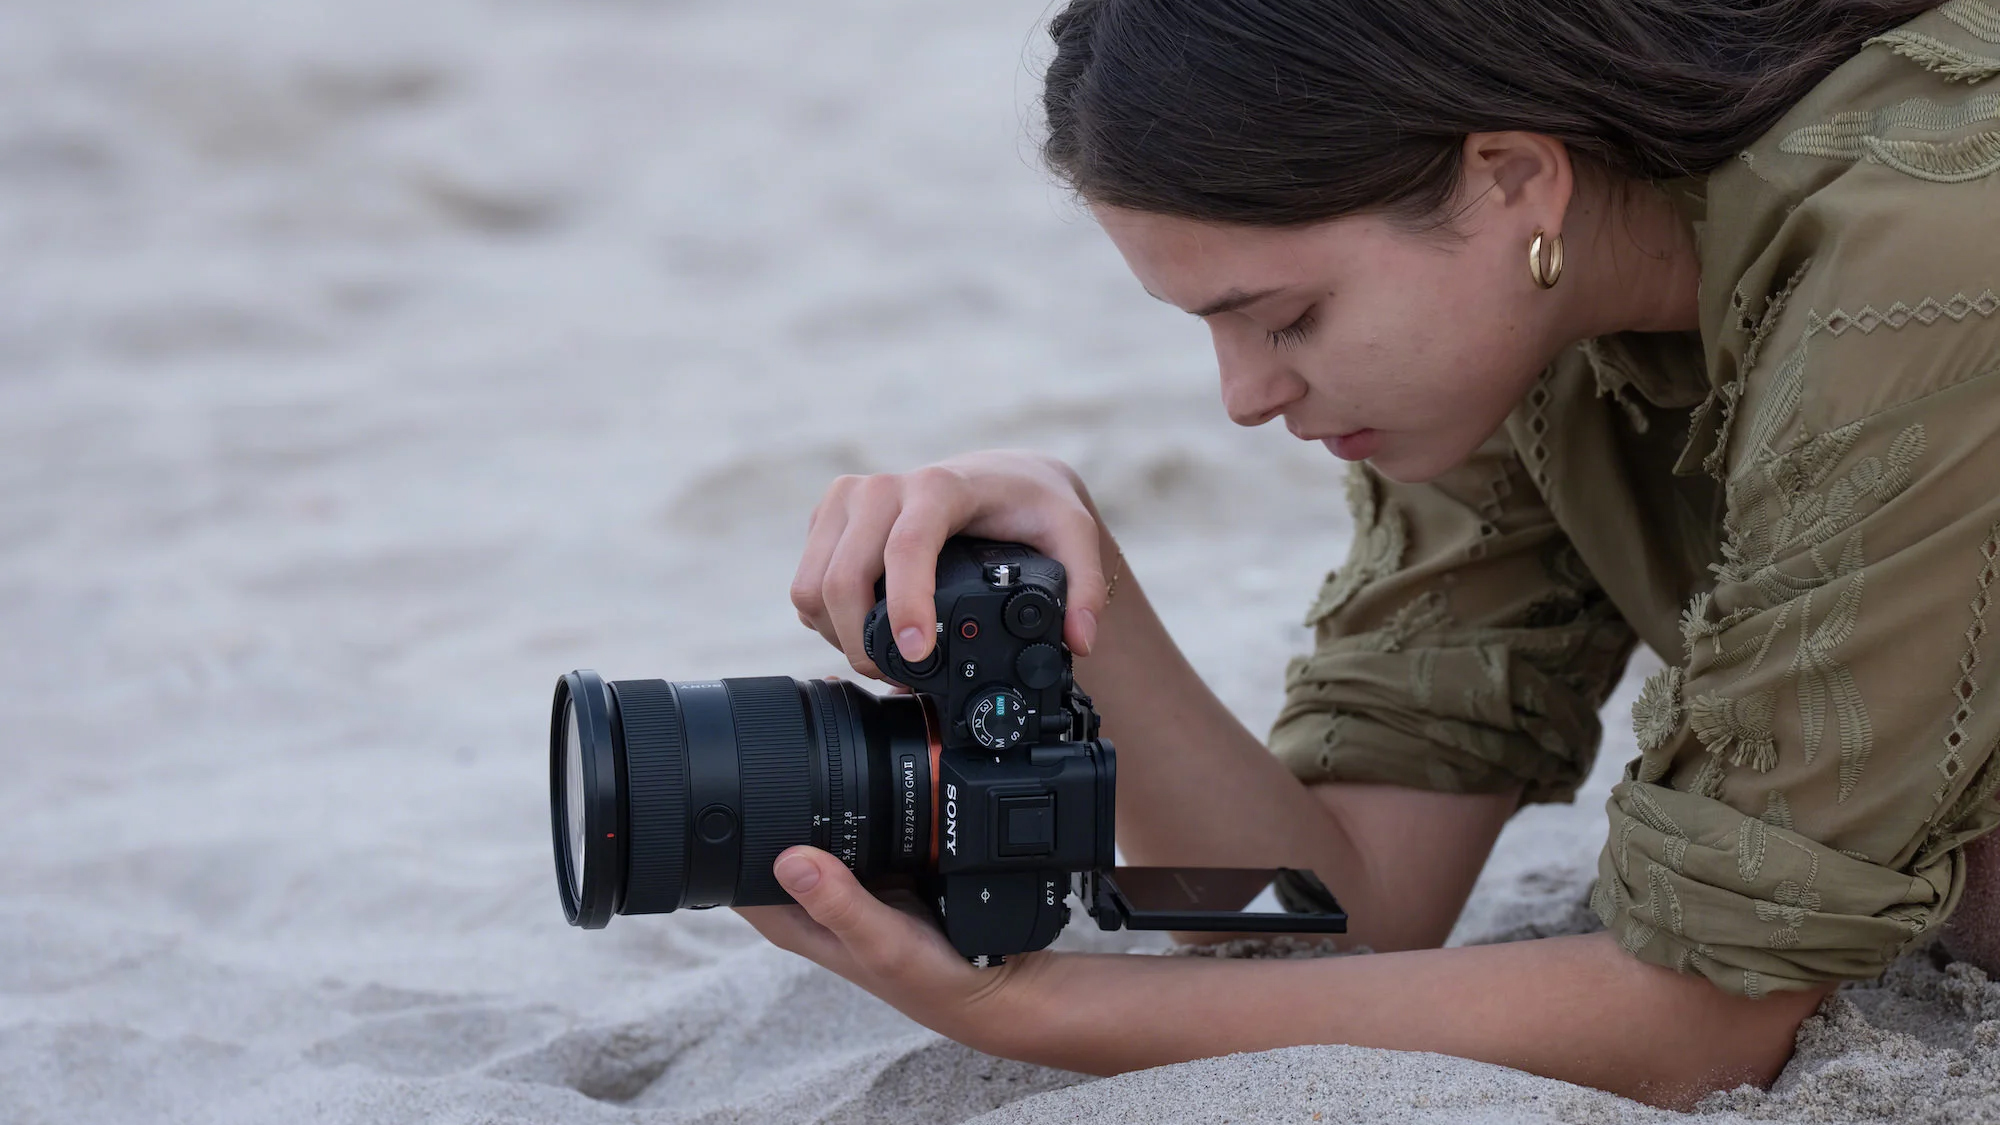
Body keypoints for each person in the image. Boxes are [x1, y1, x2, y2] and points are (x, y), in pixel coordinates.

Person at [735, 0, 2000, 1109]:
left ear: (1513, 178)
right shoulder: (1529, 313)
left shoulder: (1922, 257)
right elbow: (1332, 910)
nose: (1242, 397)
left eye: (1286, 316)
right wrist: (1070, 587)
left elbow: (1702, 1022)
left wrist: (1036, 1010)